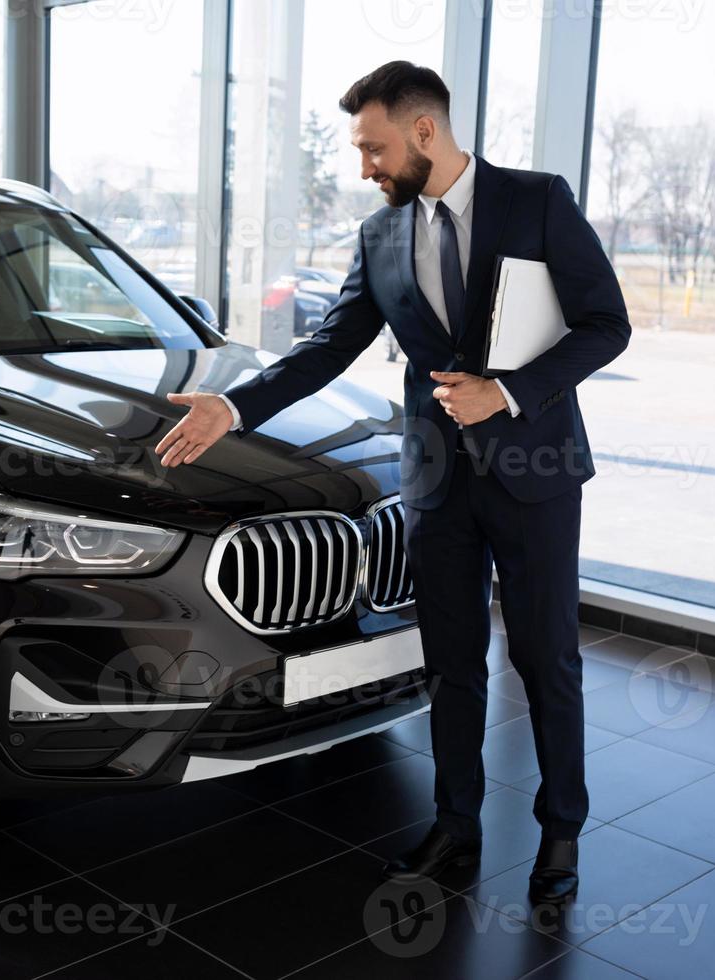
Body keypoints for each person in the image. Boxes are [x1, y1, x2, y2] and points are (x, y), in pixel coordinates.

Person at [154, 62, 631, 903]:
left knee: (546, 659)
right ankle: (456, 823)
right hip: (438, 483)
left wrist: (509, 391)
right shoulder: (379, 237)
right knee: (452, 663)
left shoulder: (538, 200)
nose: (364, 167)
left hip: (536, 474)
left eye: (373, 148)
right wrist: (234, 408)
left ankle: (562, 833)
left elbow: (607, 325)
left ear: (423, 132)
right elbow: (326, 348)